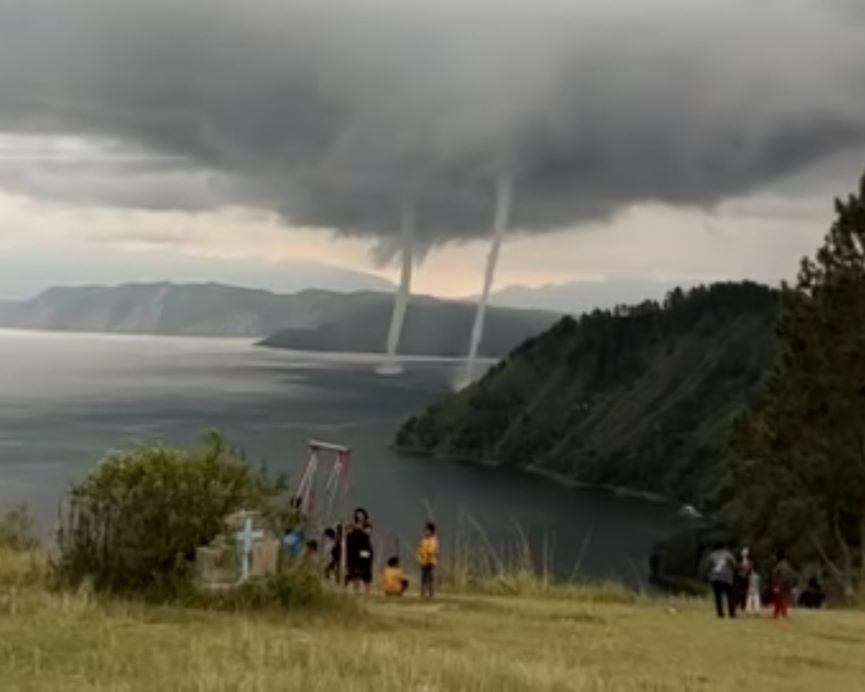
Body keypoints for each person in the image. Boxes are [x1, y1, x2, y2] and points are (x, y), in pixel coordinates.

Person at [345, 508, 374, 594]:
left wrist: (358, 527)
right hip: (354, 551)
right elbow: (347, 532)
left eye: (361, 515)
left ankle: (367, 592)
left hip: (365, 550)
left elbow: (367, 532)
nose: (359, 517)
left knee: (366, 570)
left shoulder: (368, 525)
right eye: (358, 515)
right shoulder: (351, 525)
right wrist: (352, 527)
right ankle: (356, 591)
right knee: (355, 571)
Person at [705, 542, 736, 618]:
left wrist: (710, 575)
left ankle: (720, 613)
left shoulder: (712, 555)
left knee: (718, 597)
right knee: (730, 596)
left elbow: (708, 566)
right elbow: (734, 564)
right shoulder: (728, 554)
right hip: (727, 578)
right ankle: (732, 613)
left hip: (716, 578)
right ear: (724, 547)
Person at [417, 521, 439, 599]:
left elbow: (432, 551)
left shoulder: (433, 540)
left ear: (431, 531)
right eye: (425, 530)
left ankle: (431, 593)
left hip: (430, 561)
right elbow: (420, 549)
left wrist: (426, 557)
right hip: (423, 561)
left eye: (427, 530)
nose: (426, 532)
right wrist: (420, 558)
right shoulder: (423, 540)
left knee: (430, 578)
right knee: (423, 578)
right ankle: (422, 593)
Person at [771, 550, 796, 619]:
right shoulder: (785, 565)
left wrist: (778, 586)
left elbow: (784, 577)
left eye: (775, 556)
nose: (774, 557)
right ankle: (776, 614)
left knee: (782, 600)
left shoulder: (782, 566)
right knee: (778, 600)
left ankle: (784, 614)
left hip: (782, 587)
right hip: (783, 586)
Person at [734, 547, 753, 612]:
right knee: (738, 592)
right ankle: (736, 605)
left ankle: (743, 606)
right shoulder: (738, 561)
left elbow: (750, 570)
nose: (744, 554)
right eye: (743, 552)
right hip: (739, 578)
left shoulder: (749, 562)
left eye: (746, 553)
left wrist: (746, 571)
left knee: (744, 592)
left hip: (745, 579)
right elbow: (736, 569)